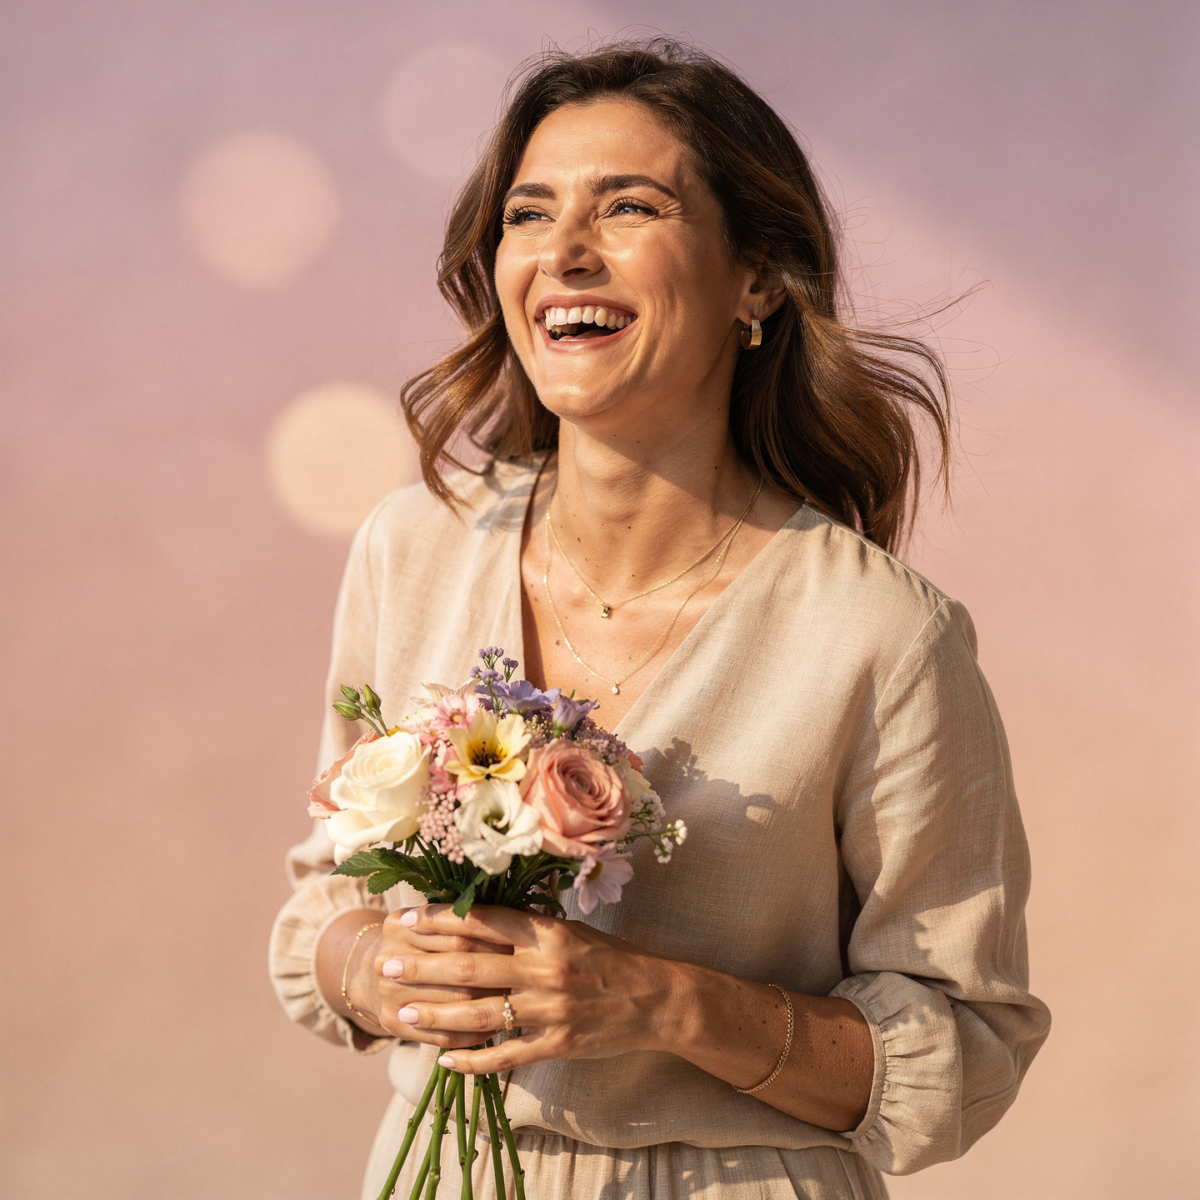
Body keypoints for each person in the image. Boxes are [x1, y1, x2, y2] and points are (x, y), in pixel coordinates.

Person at [269, 39, 1050, 1200]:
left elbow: (963, 1050)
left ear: (758, 280)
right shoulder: (416, 545)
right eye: (529, 216)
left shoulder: (886, 637)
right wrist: (381, 970)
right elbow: (324, 904)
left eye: (628, 206)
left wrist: (659, 1001)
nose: (564, 254)